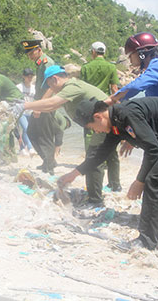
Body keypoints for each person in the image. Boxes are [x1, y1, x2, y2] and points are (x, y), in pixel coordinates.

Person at [58, 97, 158, 251]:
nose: (95, 131)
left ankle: (146, 241)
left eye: (92, 127)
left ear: (98, 117)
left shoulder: (126, 114)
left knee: (155, 183)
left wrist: (139, 181)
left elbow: (153, 149)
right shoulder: (117, 123)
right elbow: (101, 154)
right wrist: (75, 173)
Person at [106, 32, 158, 233]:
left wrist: (113, 100)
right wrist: (134, 138)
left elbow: (136, 87)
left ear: (143, 53)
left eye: (132, 54)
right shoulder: (157, 68)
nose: (131, 59)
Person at [11, 65, 108, 202]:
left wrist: (25, 106)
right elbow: (51, 106)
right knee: (94, 157)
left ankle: (95, 199)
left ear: (55, 79)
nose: (50, 89)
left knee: (94, 158)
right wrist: (27, 106)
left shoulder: (72, 86)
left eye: (49, 84)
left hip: (106, 123)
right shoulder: (69, 89)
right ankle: (94, 195)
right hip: (99, 124)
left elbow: (52, 102)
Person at [80, 41, 121, 192]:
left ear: (92, 52)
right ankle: (115, 183)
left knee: (92, 147)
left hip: (91, 111)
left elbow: (82, 89)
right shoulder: (111, 67)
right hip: (106, 112)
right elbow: (115, 90)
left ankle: (95, 185)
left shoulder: (85, 68)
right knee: (111, 146)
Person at [21, 39, 65, 173]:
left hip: (45, 105)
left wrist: (39, 107)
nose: (30, 56)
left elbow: (51, 88)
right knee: (32, 132)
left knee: (44, 135)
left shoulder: (47, 63)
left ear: (39, 50)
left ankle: (50, 165)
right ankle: (48, 160)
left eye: (31, 53)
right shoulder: (40, 64)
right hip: (41, 103)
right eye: (28, 54)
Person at [16, 68, 36, 156]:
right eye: (28, 76)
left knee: (26, 130)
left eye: (31, 76)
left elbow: (35, 100)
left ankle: (23, 149)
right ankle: (31, 148)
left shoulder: (34, 88)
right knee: (26, 128)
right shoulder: (19, 87)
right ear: (23, 76)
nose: (30, 78)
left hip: (30, 112)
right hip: (21, 112)